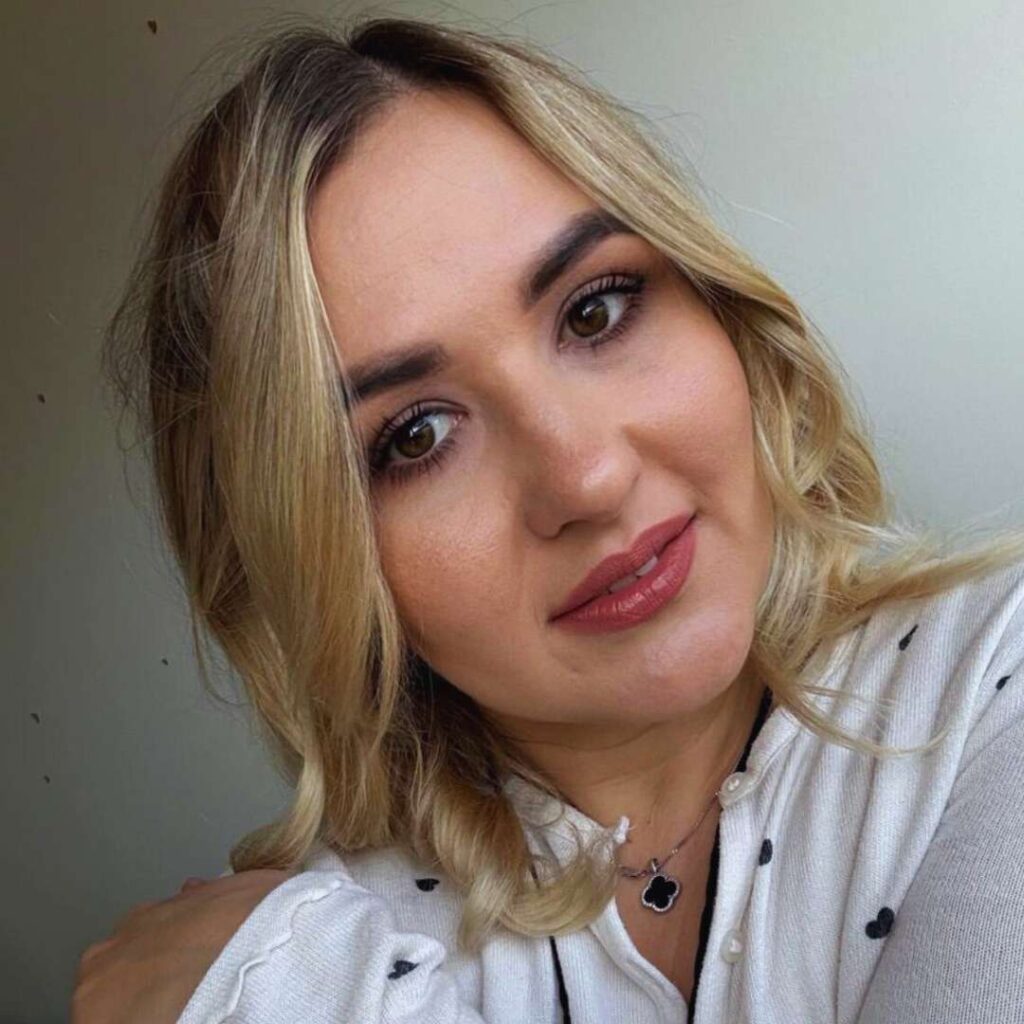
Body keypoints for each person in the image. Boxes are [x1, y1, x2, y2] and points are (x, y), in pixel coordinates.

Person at [74, 14, 1024, 1024]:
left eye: (594, 310)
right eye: (415, 436)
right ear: (307, 559)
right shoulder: (340, 916)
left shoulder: (987, 685)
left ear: (719, 310)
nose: (588, 479)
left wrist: (287, 994)